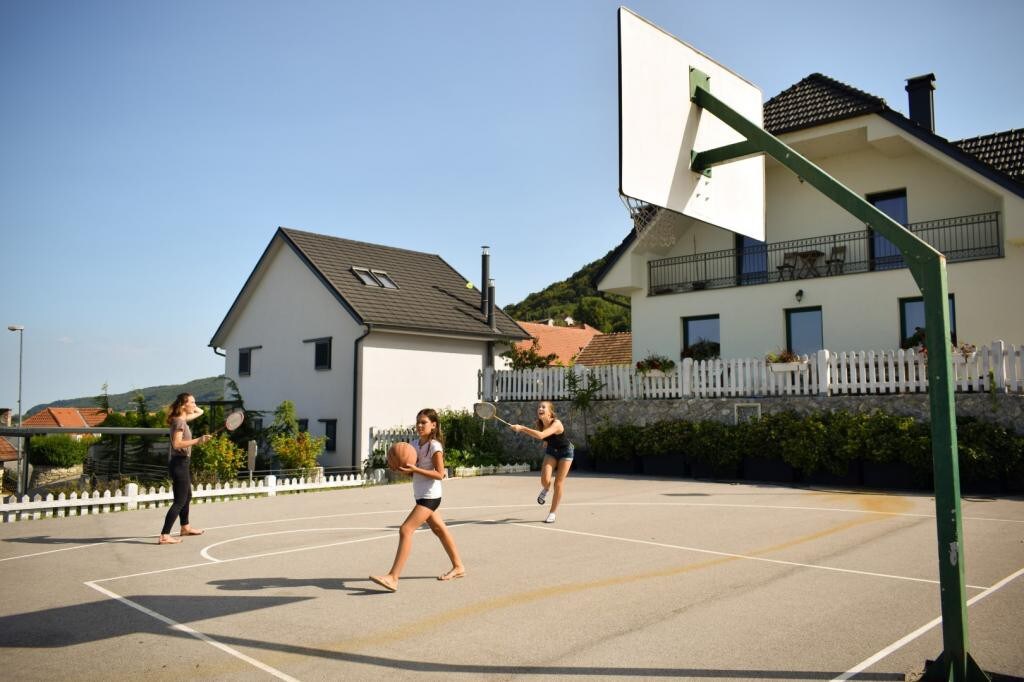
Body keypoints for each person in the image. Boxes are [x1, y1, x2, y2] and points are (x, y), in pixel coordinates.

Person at [370, 408, 465, 592]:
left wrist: (416, 469)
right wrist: (401, 469)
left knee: (406, 530)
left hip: (430, 497)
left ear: (433, 425)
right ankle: (459, 566)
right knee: (440, 530)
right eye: (418, 422)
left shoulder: (434, 446)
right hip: (421, 495)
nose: (420, 425)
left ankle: (393, 577)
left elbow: (440, 474)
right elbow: (411, 468)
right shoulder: (413, 445)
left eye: (424, 422)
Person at [158, 393, 212, 545]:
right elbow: (177, 444)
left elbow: (200, 412)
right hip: (179, 464)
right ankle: (164, 535)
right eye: (192, 402)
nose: (195, 405)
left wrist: (192, 406)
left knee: (187, 496)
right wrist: (198, 440)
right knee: (180, 501)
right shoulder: (180, 423)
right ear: (183, 405)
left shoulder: (180, 420)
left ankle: (185, 527)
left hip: (182, 463)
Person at [511, 401, 573, 524]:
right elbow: (545, 437)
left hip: (566, 452)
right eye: (539, 407)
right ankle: (546, 489)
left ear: (550, 412)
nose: (540, 408)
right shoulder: (540, 424)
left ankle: (552, 513)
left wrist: (522, 428)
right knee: (545, 480)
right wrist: (546, 442)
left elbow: (541, 435)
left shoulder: (557, 423)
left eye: (543, 407)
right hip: (551, 452)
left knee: (558, 483)